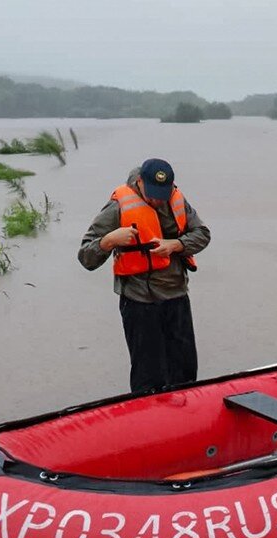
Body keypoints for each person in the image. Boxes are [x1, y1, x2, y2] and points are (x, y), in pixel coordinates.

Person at [78, 158, 211, 394]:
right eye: (153, 194)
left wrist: (176, 245)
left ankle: (187, 420)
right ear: (139, 182)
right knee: (149, 376)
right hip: (139, 302)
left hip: (176, 296)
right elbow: (86, 256)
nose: (158, 199)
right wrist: (109, 241)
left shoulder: (177, 199)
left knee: (185, 372)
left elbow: (202, 234)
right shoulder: (118, 206)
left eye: (163, 193)